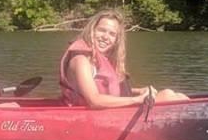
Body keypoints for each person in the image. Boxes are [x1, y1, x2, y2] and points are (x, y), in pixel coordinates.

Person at [59, 9, 188, 108]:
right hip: (86, 115)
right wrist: (137, 100)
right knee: (169, 97)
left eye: (112, 34)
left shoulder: (101, 58)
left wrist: (138, 91)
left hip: (105, 112)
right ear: (92, 31)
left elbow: (105, 88)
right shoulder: (81, 60)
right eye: (101, 30)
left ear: (116, 40)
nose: (105, 37)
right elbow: (94, 100)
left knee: (169, 93)